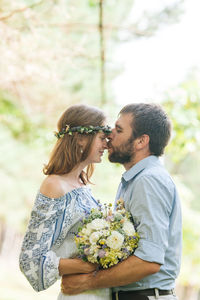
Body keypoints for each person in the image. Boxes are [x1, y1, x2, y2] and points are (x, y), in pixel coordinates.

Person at [61, 103, 182, 300]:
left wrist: (87, 281)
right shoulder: (134, 179)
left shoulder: (148, 181)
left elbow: (149, 261)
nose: (109, 135)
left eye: (119, 130)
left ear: (141, 141)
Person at [19, 104, 112, 300]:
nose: (106, 144)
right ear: (80, 138)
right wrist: (89, 264)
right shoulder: (54, 185)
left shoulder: (83, 185)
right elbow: (30, 260)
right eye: (102, 138)